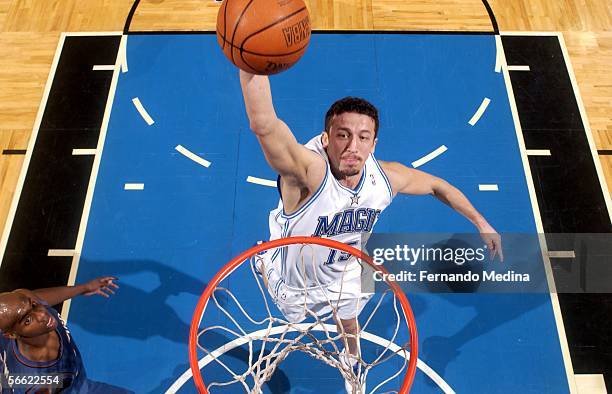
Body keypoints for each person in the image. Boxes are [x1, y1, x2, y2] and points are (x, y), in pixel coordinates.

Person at [239, 70, 502, 393]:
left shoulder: (385, 178)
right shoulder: (307, 172)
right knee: (290, 306)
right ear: (326, 138)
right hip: (295, 282)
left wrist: (481, 222)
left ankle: (352, 362)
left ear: (374, 143)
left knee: (350, 320)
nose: (353, 145)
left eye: (363, 137)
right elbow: (264, 125)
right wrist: (250, 63)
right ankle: (266, 260)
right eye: (342, 135)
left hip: (345, 269)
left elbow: (436, 185)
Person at [0, 277, 133, 393]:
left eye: (33, 305)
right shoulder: (37, 383)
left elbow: (37, 297)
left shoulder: (27, 304)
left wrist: (84, 288)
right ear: (11, 335)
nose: (42, 315)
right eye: (28, 320)